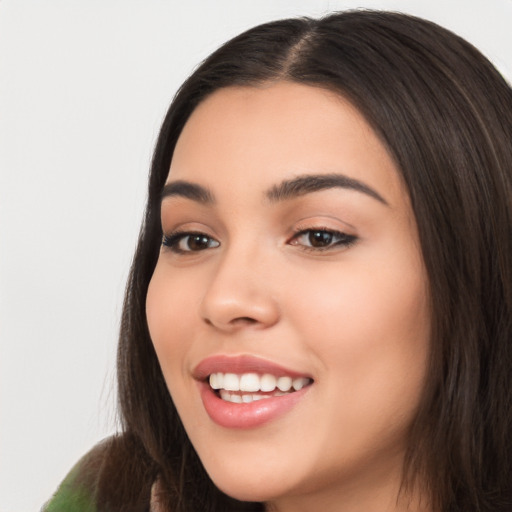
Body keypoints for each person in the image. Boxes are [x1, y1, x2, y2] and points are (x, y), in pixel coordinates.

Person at [43, 9, 512, 512]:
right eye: (193, 239)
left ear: (480, 262)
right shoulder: (110, 496)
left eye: (319, 235)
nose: (224, 299)